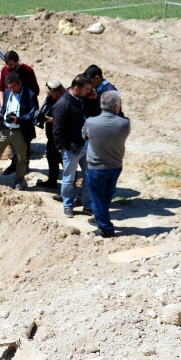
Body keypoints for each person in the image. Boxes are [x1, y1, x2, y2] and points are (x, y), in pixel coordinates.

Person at [82, 91, 130, 238]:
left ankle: (105, 228)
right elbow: (118, 118)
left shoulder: (91, 122)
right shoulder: (125, 123)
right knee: (106, 196)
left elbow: (84, 135)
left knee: (97, 198)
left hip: (96, 168)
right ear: (116, 106)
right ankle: (100, 218)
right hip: (115, 166)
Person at [52, 74, 101, 218]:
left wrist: (94, 100)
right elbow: (57, 131)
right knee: (69, 178)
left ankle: (87, 204)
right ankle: (68, 205)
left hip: (87, 145)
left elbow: (95, 115)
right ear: (76, 88)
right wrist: (70, 147)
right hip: (72, 149)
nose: (89, 91)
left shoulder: (84, 99)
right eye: (86, 89)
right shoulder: (62, 104)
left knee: (89, 177)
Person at [0, 72, 38, 190]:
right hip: (5, 129)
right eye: (9, 87)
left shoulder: (30, 94)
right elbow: (4, 108)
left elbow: (33, 115)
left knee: (21, 159)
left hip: (20, 131)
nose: (12, 89)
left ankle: (19, 181)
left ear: (20, 83)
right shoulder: (8, 92)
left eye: (14, 87)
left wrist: (18, 120)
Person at [0, 51, 40, 175]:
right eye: (7, 64)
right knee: (12, 137)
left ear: (17, 61)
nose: (8, 67)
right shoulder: (4, 70)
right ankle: (14, 163)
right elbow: (1, 88)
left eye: (11, 64)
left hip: (24, 108)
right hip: (9, 106)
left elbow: (35, 90)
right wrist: (3, 106)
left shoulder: (28, 70)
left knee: (25, 137)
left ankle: (25, 164)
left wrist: (24, 103)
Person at [34, 80, 66, 190]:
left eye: (51, 95)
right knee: (51, 157)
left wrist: (51, 120)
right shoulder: (52, 99)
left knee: (64, 161)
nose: (49, 98)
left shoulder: (67, 100)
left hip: (63, 138)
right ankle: (52, 181)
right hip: (52, 136)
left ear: (57, 93)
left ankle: (70, 183)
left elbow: (69, 119)